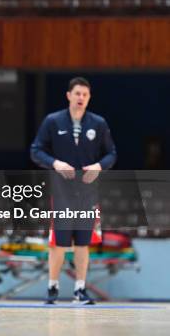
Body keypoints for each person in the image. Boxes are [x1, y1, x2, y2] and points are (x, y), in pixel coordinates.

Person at [31, 77, 117, 305]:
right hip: (61, 192)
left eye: (85, 95)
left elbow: (111, 154)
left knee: (82, 242)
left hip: (88, 193)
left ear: (89, 98)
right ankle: (52, 287)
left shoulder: (98, 123)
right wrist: (55, 163)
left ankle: (80, 290)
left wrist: (98, 167)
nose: (81, 98)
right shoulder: (53, 121)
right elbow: (36, 150)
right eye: (77, 93)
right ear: (69, 95)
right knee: (58, 242)